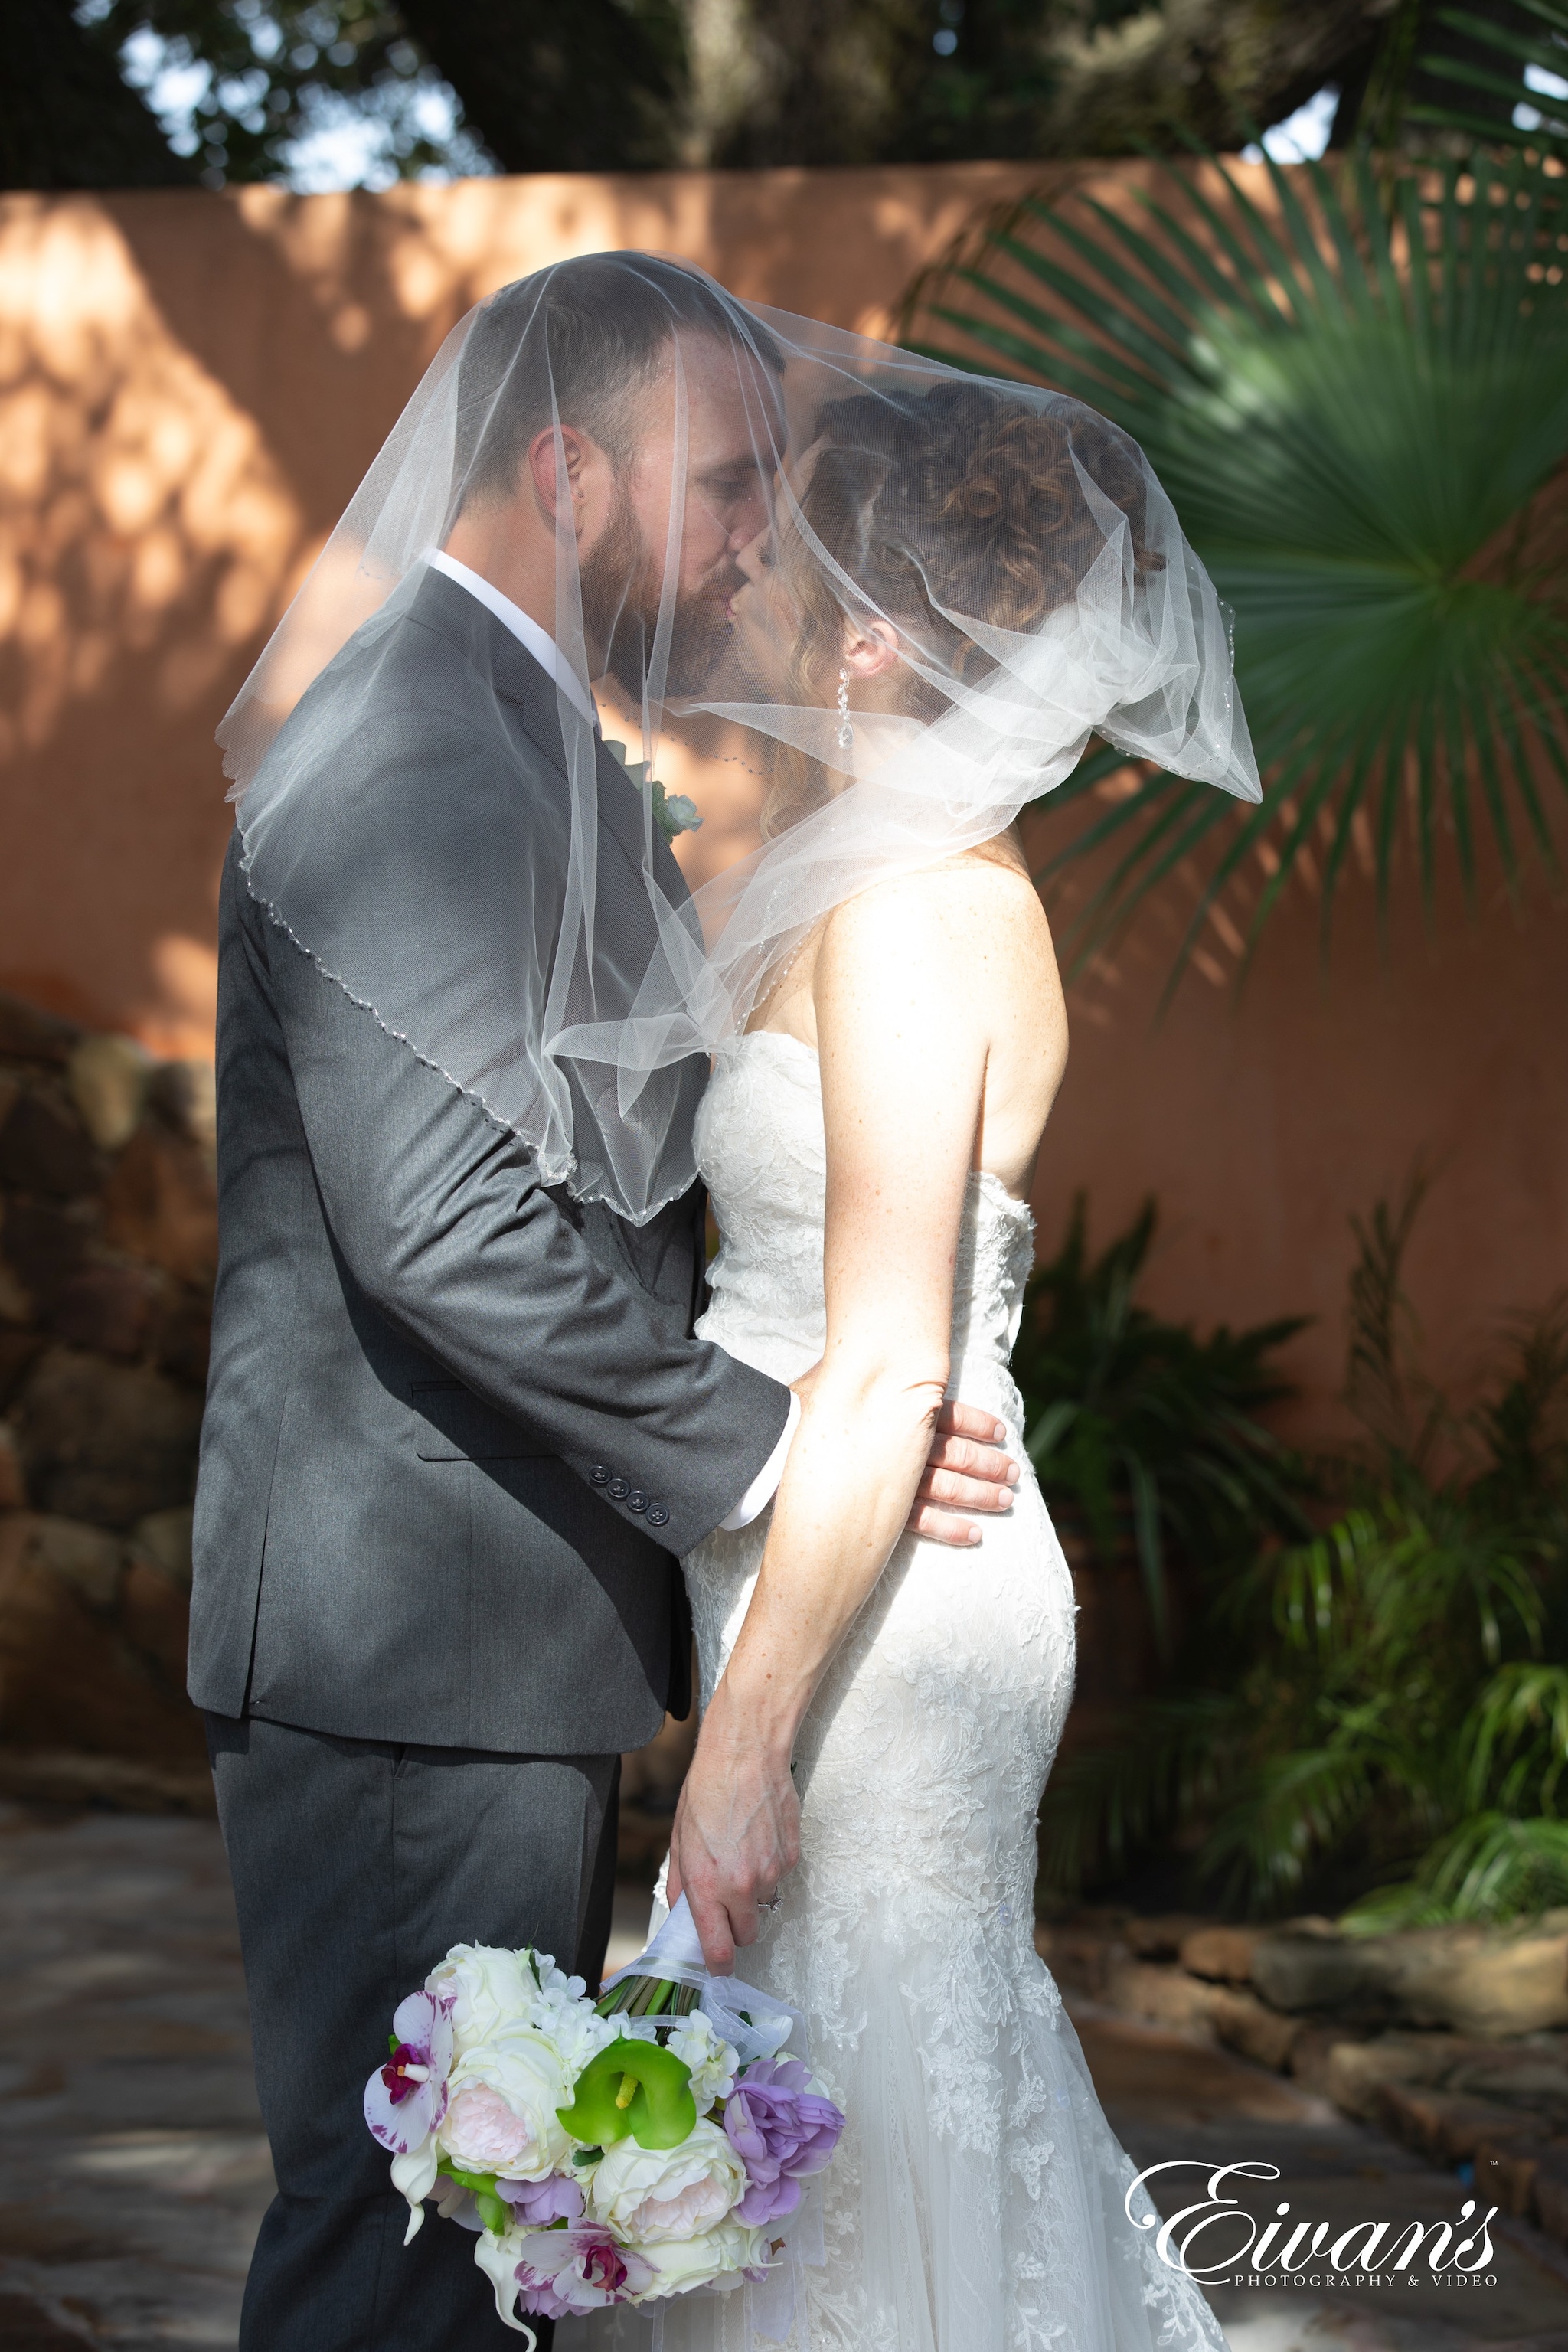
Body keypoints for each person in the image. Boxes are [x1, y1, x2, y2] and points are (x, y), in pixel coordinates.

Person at [189, 257, 1020, 2352]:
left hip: (499, 1643)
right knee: (397, 2269)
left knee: (477, 2254)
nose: (759, 532)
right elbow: (444, 1227)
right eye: (726, 480)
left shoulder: (524, 730)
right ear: (563, 473)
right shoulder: (416, 752)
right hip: (410, 1644)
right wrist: (784, 1447)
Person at [562, 354, 1259, 2345]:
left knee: (867, 2137)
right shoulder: (847, 888)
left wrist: (745, 1747)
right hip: (833, 1562)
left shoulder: (910, 920)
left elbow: (877, 1369)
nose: (749, 583)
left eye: (788, 562)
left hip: (874, 1620)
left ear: (874, 637)